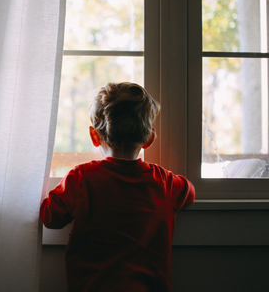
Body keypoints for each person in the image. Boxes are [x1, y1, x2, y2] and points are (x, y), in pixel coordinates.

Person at [40, 82, 195, 292]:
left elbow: (51, 217)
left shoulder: (81, 178)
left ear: (94, 136)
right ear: (149, 138)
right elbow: (190, 191)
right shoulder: (164, 182)